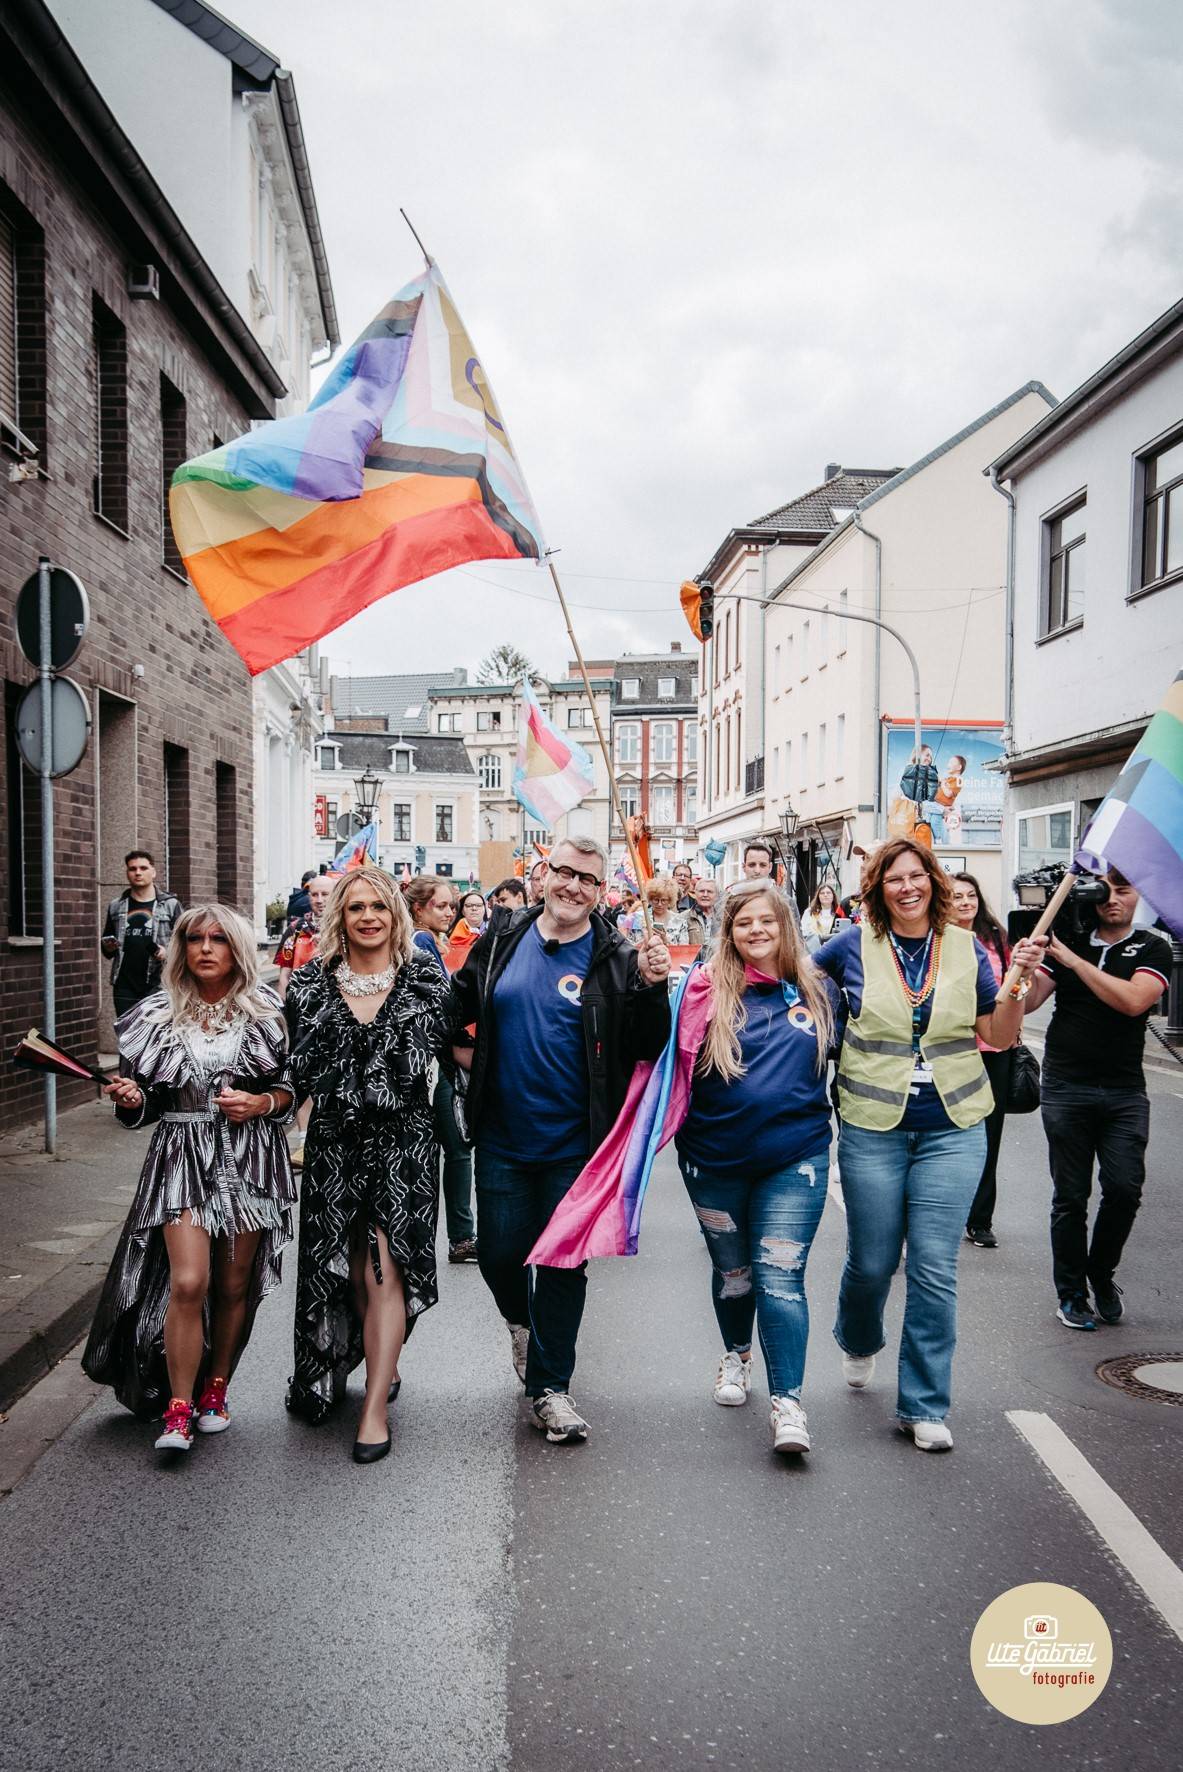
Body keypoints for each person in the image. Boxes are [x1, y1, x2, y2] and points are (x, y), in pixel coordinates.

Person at [814, 838, 1044, 1451]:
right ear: (877, 888)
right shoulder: (847, 945)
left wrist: (1017, 986)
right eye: (895, 879)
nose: (908, 887)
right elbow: (794, 996)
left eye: (918, 876)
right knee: (873, 1261)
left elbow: (996, 1032)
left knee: (934, 1267)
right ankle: (858, 1336)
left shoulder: (968, 949)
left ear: (934, 882)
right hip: (872, 1125)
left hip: (955, 1123)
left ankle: (922, 1404)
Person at [451, 836, 671, 1443]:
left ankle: (551, 1389)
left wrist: (654, 989)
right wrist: (468, 1059)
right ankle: (521, 1325)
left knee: (562, 1266)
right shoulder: (500, 938)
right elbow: (458, 1006)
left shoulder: (618, 958)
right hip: (501, 1135)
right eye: (565, 874)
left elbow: (649, 1048)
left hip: (577, 1145)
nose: (574, 887)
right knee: (498, 1256)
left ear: (602, 892)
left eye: (588, 880)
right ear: (544, 876)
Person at [82, 905, 296, 1454]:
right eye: (194, 938)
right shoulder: (156, 1014)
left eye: (219, 939)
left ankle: (215, 1390)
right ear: (181, 948)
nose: (205, 948)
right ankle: (178, 1408)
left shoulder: (267, 1011)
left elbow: (289, 1094)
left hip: (249, 1157)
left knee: (232, 1286)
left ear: (238, 950)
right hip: (180, 1157)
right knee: (188, 1281)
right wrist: (132, 1101)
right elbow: (143, 1107)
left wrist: (261, 1101)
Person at [284, 869, 452, 1460]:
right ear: (340, 917)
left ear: (395, 913)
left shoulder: (426, 979)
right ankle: (382, 1359)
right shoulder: (308, 986)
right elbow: (292, 1073)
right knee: (352, 1269)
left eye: (378, 905)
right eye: (355, 907)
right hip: (334, 1144)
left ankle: (374, 1409)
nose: (368, 917)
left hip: (404, 1143)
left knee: (385, 1269)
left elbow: (457, 1052)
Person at [673, 882, 838, 1453]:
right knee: (735, 1275)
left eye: (768, 920)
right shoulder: (700, 992)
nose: (757, 931)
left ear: (785, 926)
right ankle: (737, 1356)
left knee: (781, 1275)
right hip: (711, 1160)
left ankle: (788, 1402)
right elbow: (660, 1061)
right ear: (729, 931)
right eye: (745, 922)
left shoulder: (819, 991)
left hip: (796, 1159)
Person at [1021, 868, 1171, 1331]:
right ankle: (1071, 1294)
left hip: (1125, 1090)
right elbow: (1026, 1004)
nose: (1112, 900)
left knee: (1125, 1189)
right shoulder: (1067, 939)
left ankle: (1101, 1275)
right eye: (1105, 890)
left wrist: (1074, 962)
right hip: (1067, 1087)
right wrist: (1024, 968)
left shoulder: (1152, 947)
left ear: (1137, 897)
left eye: (1123, 891)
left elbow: (1133, 1001)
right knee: (1070, 1196)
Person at [404, 874, 478, 1264]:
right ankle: (461, 1237)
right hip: (439, 1063)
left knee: (452, 1150)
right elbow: (437, 1009)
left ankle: (451, 1237)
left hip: (438, 1060)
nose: (450, 912)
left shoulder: (428, 942)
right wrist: (461, 1048)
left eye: (453, 905)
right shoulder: (420, 943)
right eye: (442, 906)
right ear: (419, 908)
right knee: (457, 1150)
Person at [951, 874, 1014, 1250]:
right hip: (954, 1050)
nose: (965, 902)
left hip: (995, 1052)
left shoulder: (997, 939)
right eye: (956, 896)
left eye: (971, 895)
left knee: (990, 1135)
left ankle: (980, 1219)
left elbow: (1014, 987)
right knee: (951, 1135)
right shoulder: (938, 939)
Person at [277, 872, 335, 1170]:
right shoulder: (296, 930)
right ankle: (303, 1142)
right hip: (301, 1014)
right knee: (302, 1074)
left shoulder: (345, 927)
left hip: (335, 1013)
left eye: (325, 894)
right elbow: (285, 972)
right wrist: (285, 1010)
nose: (319, 900)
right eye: (315, 894)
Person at [101, 850, 183, 1020]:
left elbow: (185, 943)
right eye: (132, 869)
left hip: (159, 982)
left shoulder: (170, 905)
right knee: (127, 1035)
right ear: (127, 873)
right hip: (124, 984)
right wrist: (108, 946)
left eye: (143, 868)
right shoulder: (116, 906)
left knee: (155, 1034)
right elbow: (108, 950)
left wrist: (167, 953)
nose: (137, 872)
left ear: (153, 872)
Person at [622, 874, 689, 945]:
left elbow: (683, 951)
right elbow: (628, 948)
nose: (659, 904)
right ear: (650, 899)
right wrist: (646, 940)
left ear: (669, 900)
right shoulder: (637, 918)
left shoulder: (679, 921)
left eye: (663, 900)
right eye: (656, 900)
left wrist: (666, 941)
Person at [448, 889, 488, 961]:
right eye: (469, 906)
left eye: (478, 905)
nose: (474, 908)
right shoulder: (451, 932)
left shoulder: (493, 931)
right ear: (462, 911)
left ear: (484, 909)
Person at [801, 882, 843, 949]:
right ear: (818, 896)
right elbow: (804, 931)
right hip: (815, 949)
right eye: (822, 893)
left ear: (833, 895)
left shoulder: (839, 912)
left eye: (828, 893)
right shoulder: (809, 912)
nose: (825, 895)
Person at [686, 877, 721, 949]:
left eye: (709, 892)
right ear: (695, 894)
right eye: (701, 891)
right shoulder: (684, 917)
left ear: (717, 895)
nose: (705, 895)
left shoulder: (726, 918)